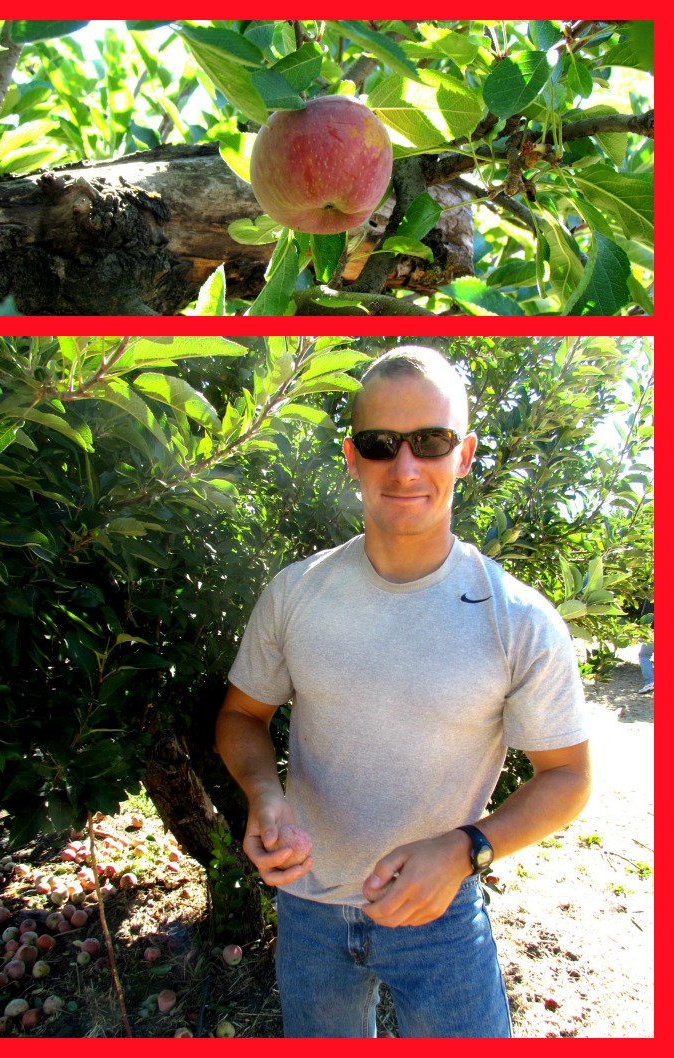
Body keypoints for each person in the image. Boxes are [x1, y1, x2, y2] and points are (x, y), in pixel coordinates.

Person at [215, 347, 591, 1038]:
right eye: (382, 445)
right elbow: (242, 715)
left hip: (441, 916)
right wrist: (265, 797)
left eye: (432, 442)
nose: (407, 467)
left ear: (466, 454)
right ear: (353, 458)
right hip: (306, 907)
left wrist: (465, 850)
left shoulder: (520, 619)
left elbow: (567, 778)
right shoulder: (297, 593)